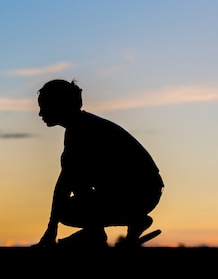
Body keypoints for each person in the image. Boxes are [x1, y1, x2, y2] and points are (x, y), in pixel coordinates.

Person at [33, 79, 164, 248]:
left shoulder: (81, 131)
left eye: (44, 106)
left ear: (58, 105)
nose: (40, 113)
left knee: (66, 207)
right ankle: (127, 222)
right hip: (143, 191)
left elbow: (66, 183)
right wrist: (51, 229)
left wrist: (51, 231)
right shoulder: (84, 126)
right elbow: (67, 181)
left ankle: (97, 232)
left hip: (139, 193)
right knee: (73, 181)